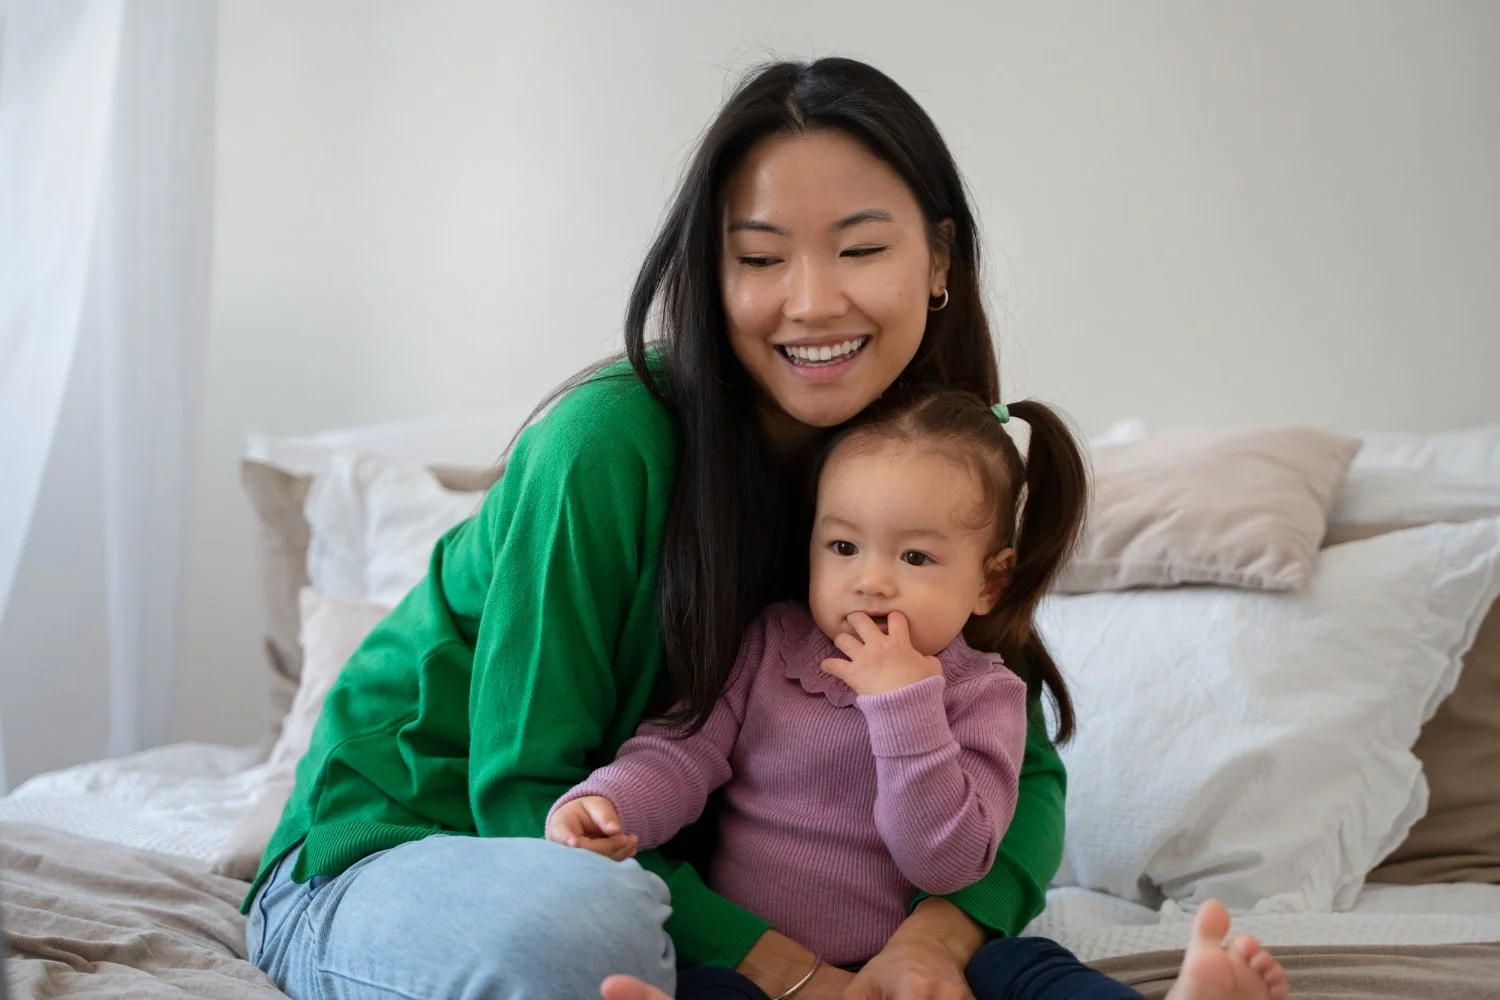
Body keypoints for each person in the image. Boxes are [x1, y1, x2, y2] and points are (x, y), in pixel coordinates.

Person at [244, 56, 1289, 1000]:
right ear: (711, 272)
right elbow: (531, 797)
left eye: (860, 248)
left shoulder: (914, 465)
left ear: (937, 261)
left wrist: (933, 944)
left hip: (670, 911)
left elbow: (1014, 755)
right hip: (407, 854)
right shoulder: (605, 446)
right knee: (589, 928)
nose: (811, 300)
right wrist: (795, 976)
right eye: (760, 257)